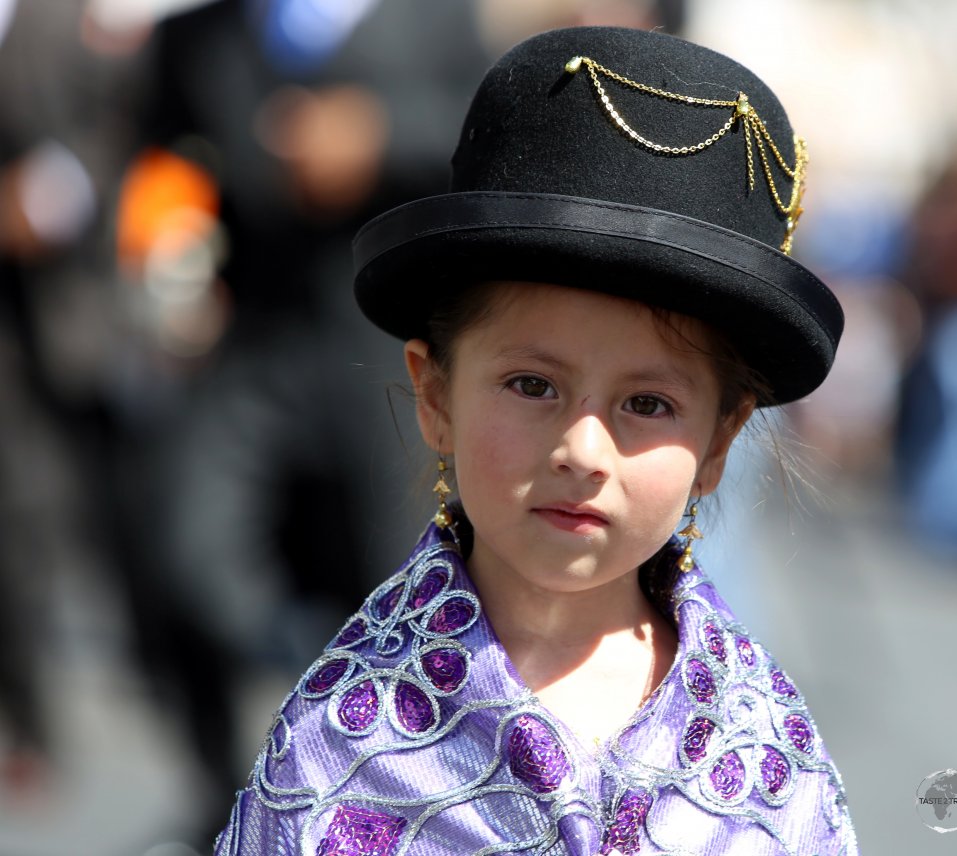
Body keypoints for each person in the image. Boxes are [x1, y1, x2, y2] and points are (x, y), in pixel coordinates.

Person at [214, 26, 859, 855]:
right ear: (435, 391)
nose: (583, 449)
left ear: (720, 440)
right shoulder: (339, 740)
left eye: (650, 404)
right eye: (533, 386)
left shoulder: (768, 749)